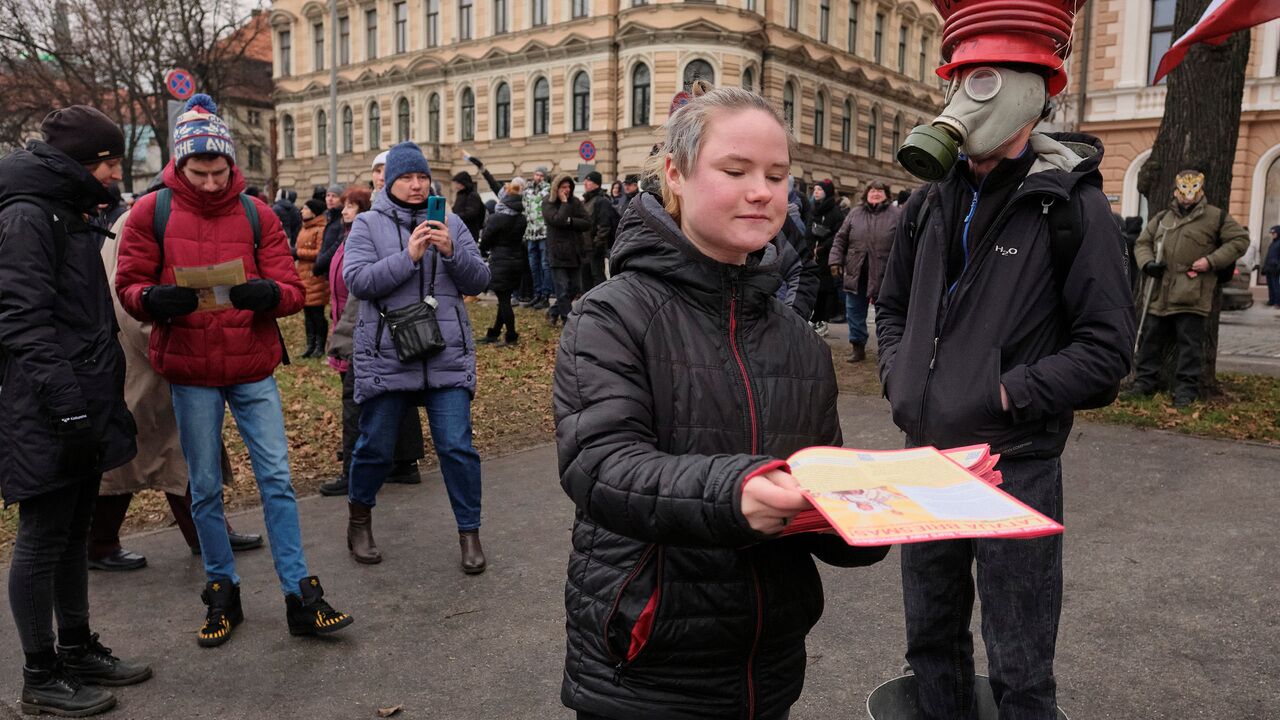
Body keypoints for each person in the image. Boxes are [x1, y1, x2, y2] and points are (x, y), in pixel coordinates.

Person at [553, 82, 887, 720]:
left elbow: (817, 475)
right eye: (735, 170)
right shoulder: (611, 315)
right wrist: (738, 492)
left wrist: (867, 519)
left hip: (769, 667)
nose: (762, 190)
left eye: (777, 174)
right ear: (675, 175)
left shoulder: (800, 341)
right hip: (646, 665)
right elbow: (599, 466)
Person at [878, 62, 1134, 718]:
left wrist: (1006, 394)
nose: (965, 103)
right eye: (962, 79)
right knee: (930, 643)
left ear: (1031, 102)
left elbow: (1107, 352)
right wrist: (900, 377)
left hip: (1014, 465)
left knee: (1019, 657)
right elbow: (893, 306)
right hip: (926, 461)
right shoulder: (927, 202)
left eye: (986, 83)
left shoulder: (1073, 207)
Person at [115, 94, 352, 647]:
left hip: (251, 365)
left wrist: (270, 293)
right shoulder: (153, 212)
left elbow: (293, 289)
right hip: (191, 370)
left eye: (220, 171)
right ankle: (222, 591)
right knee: (202, 487)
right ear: (180, 165)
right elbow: (127, 285)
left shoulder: (256, 211)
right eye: (200, 172)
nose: (213, 183)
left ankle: (300, 595)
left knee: (276, 479)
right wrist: (153, 299)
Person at [0, 105, 151, 717]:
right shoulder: (27, 216)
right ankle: (41, 674)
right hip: (46, 405)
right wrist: (65, 410)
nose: (116, 174)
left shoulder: (67, 210)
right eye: (109, 162)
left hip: (83, 398)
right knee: (42, 539)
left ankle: (78, 647)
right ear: (79, 164)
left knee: (72, 535)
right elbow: (21, 323)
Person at [91, 191, 263, 572]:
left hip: (180, 354)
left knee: (185, 451)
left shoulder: (173, 218)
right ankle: (99, 542)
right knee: (128, 454)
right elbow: (125, 297)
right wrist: (161, 340)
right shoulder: (139, 220)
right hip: (149, 359)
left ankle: (206, 533)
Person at [343, 141, 491, 571]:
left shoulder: (450, 221)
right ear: (390, 182)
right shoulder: (368, 225)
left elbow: (480, 279)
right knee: (375, 447)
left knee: (457, 447)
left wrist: (451, 251)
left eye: (421, 177)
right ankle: (359, 523)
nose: (415, 185)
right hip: (389, 353)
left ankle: (470, 534)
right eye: (406, 178)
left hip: (445, 355)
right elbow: (358, 281)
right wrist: (407, 257)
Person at [1129, 169, 1249, 407]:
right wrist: (1148, 263)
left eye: (1193, 191)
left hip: (1192, 293)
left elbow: (1240, 240)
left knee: (1189, 346)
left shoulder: (1216, 217)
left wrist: (1211, 261)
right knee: (1150, 340)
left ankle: (1185, 391)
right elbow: (1143, 242)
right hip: (1159, 292)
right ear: (1176, 191)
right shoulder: (1164, 217)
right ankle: (1144, 383)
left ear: (1201, 191)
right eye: (1183, 191)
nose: (1187, 196)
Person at [830, 180, 900, 363]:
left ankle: (887, 349)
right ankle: (857, 347)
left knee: (886, 313)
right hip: (857, 271)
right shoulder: (855, 213)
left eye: (880, 190)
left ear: (886, 194)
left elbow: (905, 244)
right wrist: (835, 261)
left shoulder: (896, 214)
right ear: (866, 194)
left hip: (885, 273)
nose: (875, 193)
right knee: (854, 311)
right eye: (872, 190)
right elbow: (840, 239)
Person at [479, 181, 528, 345]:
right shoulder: (522, 219)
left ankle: (512, 336)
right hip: (516, 262)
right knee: (504, 298)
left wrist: (483, 250)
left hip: (500, 261)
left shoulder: (496, 218)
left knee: (504, 301)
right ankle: (494, 333)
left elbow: (485, 240)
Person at [542, 173, 590, 326]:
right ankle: (568, 321)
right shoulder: (547, 203)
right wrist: (563, 204)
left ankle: (553, 311)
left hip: (574, 253)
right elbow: (557, 220)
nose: (567, 190)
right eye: (563, 187)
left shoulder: (575, 202)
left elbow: (586, 222)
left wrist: (571, 221)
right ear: (556, 188)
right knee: (562, 290)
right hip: (557, 254)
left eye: (569, 186)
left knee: (575, 287)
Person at [806, 178, 847, 336]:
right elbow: (808, 229)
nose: (815, 192)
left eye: (819, 189)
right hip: (812, 255)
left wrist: (824, 245)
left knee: (824, 290)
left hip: (826, 256)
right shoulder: (813, 209)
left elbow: (839, 234)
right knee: (813, 287)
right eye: (815, 189)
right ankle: (814, 317)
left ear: (827, 192)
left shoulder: (835, 212)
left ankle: (821, 320)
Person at [294, 198, 332, 358]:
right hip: (303, 277)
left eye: (305, 208)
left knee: (317, 314)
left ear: (313, 211)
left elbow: (320, 253)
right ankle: (310, 345)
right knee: (307, 314)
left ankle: (319, 346)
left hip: (316, 278)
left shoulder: (321, 229)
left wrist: (297, 253)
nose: (302, 211)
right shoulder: (304, 228)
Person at [580, 170, 619, 292]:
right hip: (584, 247)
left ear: (596, 184)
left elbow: (604, 226)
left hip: (594, 247)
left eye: (589, 180)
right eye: (585, 180)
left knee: (597, 277)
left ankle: (600, 305)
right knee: (585, 278)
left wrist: (597, 244)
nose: (585, 183)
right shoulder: (586, 201)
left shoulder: (601, 201)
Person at [523, 167, 553, 309]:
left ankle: (545, 295)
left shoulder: (548, 190)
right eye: (536, 174)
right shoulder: (527, 190)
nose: (538, 177)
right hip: (530, 233)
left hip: (544, 232)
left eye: (541, 175)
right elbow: (525, 209)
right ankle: (537, 293)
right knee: (533, 265)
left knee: (544, 264)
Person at [452, 170, 486, 242]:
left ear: (463, 183)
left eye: (458, 183)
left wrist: (455, 216)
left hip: (469, 231)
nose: (456, 186)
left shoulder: (472, 195)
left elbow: (471, 213)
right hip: (459, 230)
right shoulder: (460, 195)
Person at [1263, 226, 1280, 306]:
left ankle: (1277, 302)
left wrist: (1278, 266)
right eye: (1272, 233)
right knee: (1270, 286)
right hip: (1269, 268)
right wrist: (1264, 267)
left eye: (1274, 233)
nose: (1272, 235)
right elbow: (1268, 256)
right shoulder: (1273, 243)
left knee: (1275, 286)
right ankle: (1271, 300)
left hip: (1275, 268)